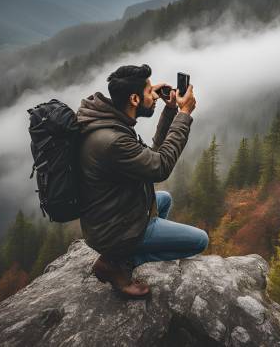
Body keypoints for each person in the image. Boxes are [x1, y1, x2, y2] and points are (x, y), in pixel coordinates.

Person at [76, 64, 208, 298]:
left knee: (164, 199)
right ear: (134, 99)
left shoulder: (108, 122)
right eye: (150, 91)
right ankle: (120, 263)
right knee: (199, 241)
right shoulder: (114, 141)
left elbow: (151, 157)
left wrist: (168, 111)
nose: (155, 95)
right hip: (116, 229)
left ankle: (122, 255)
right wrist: (184, 114)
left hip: (109, 212)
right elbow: (160, 167)